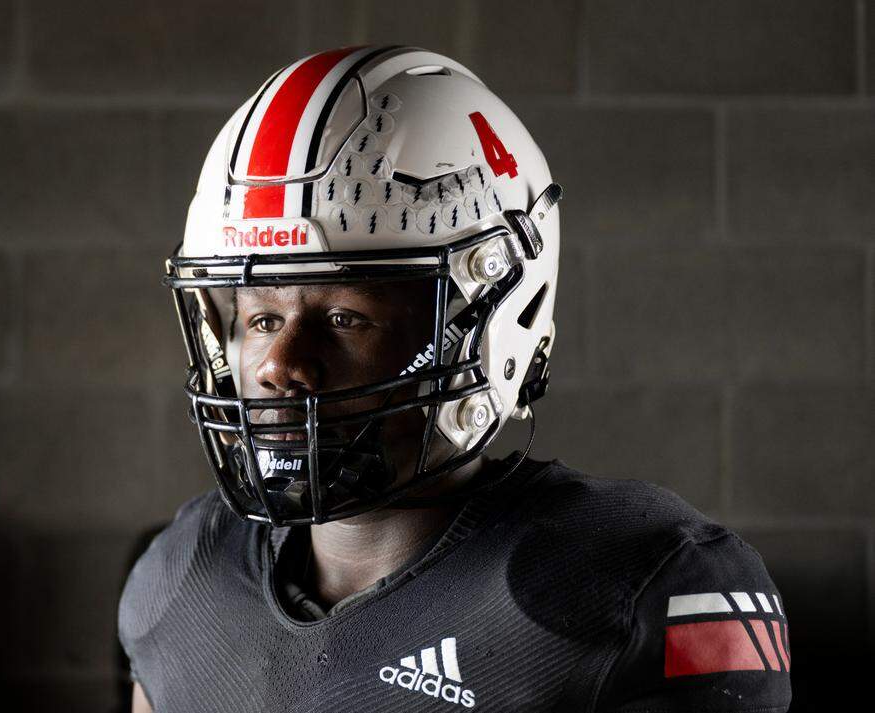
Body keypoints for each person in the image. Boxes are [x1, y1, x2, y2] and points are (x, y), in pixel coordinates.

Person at [118, 46, 792, 712]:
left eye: (346, 317)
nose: (278, 365)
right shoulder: (182, 579)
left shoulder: (631, 587)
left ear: (491, 318)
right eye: (263, 319)